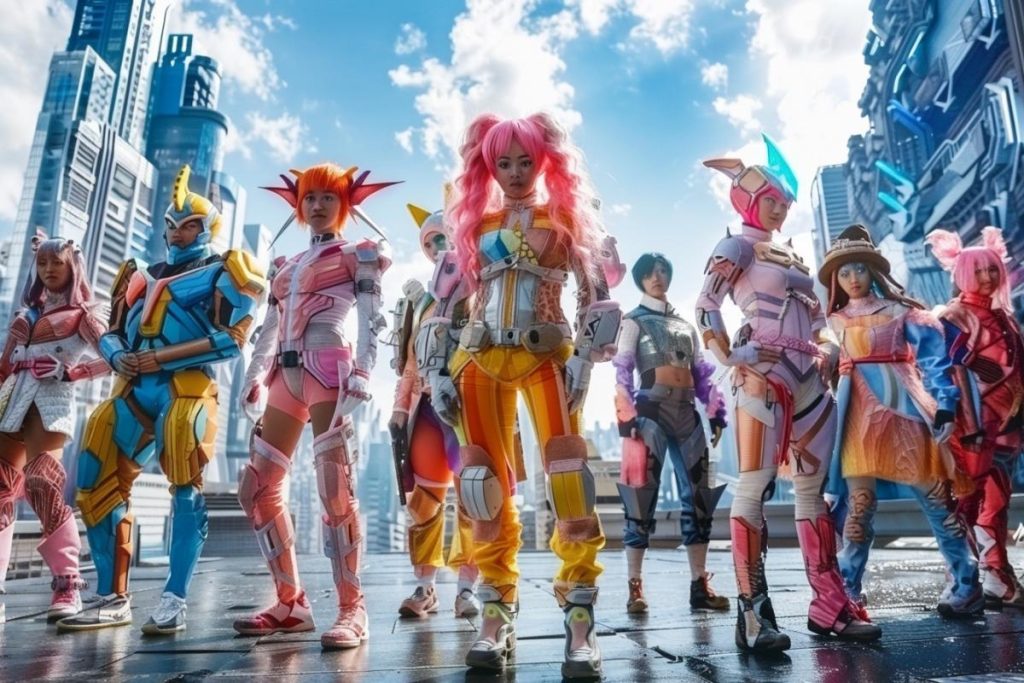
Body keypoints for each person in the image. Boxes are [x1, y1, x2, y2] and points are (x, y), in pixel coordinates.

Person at [419, 113, 621, 677]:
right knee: (481, 486)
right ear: (487, 165)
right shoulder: (472, 224)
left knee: (569, 482)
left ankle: (579, 618)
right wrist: (436, 372)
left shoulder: (567, 218)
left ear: (544, 161)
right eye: (502, 162)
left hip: (547, 356)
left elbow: (597, 298)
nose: (513, 173)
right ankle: (495, 612)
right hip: (478, 360)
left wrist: (584, 356)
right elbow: (444, 308)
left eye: (524, 161)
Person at [60, 165, 265, 633]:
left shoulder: (226, 268)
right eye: (172, 223)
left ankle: (175, 597)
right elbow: (110, 333)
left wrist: (161, 359)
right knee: (94, 480)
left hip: (186, 388)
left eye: (188, 224)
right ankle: (114, 595)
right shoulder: (137, 272)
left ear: (206, 227)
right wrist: (118, 358)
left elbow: (232, 341)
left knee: (185, 488)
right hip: (132, 388)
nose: (177, 231)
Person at [697, 134, 881, 652]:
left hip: (808, 379)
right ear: (751, 199)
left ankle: (828, 604)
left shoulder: (796, 258)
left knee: (811, 493)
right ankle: (753, 613)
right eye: (771, 200)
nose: (779, 209)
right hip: (764, 374)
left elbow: (820, 318)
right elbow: (706, 305)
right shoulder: (735, 246)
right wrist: (730, 357)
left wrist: (825, 350)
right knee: (753, 486)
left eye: (784, 202)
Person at [235, 163, 394, 650]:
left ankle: (353, 608)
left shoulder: (358, 254)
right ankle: (291, 603)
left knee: (335, 489)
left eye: (328, 196)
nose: (318, 205)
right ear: (298, 205)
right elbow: (268, 328)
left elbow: (373, 320)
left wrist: (365, 370)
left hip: (330, 369)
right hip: (285, 374)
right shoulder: (284, 265)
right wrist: (255, 375)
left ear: (344, 204)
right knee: (256, 488)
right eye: (310, 198)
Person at [820, 225, 981, 617]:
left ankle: (966, 581)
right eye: (844, 273)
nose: (852, 279)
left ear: (873, 270)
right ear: (835, 281)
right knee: (859, 508)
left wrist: (945, 403)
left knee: (936, 500)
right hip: (856, 417)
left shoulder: (902, 312)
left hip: (904, 411)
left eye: (859, 269)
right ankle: (848, 592)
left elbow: (934, 361)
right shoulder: (833, 322)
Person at [612, 252, 729, 614]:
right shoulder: (632, 321)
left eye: (663, 271)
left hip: (688, 414)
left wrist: (715, 411)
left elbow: (702, 374)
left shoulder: (684, 324)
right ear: (641, 279)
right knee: (639, 499)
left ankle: (700, 585)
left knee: (701, 497)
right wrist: (625, 415)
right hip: (648, 414)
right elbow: (622, 371)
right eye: (650, 273)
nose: (657, 277)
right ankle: (635, 588)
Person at [0, 237, 107, 623]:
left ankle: (67, 581)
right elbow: (4, 366)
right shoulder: (25, 316)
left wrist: (71, 371)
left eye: (56, 262)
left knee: (42, 483)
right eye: (42, 263)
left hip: (51, 404)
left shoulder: (84, 316)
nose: (48, 270)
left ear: (71, 266)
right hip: (12, 404)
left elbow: (116, 356)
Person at [389, 199, 480, 619]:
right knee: (424, 501)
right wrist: (400, 410)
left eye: (447, 237)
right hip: (426, 405)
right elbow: (409, 364)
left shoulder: (480, 290)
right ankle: (425, 587)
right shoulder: (418, 302)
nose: (441, 245)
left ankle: (467, 588)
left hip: (469, 403)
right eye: (433, 240)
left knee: (475, 497)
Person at [927, 226, 1024, 608]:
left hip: (1009, 424)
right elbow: (937, 359)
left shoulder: (1006, 318)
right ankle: (962, 579)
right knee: (965, 501)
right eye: (978, 271)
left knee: (997, 503)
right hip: (971, 426)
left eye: (992, 270)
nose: (986, 278)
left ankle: (997, 572)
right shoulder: (953, 316)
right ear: (963, 273)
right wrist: (968, 359)